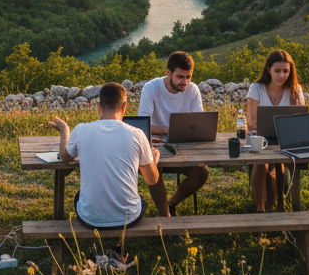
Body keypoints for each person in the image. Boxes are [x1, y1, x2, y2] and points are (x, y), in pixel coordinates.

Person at [51, 81, 168, 230]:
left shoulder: (81, 130)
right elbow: (152, 180)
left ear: (99, 107)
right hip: (128, 219)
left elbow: (65, 158)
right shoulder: (137, 134)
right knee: (141, 201)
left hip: (90, 219)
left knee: (79, 196)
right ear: (124, 106)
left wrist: (64, 130)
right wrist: (153, 158)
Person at [138, 50, 209, 212]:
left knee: (202, 172)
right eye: (180, 77)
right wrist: (166, 130)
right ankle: (165, 216)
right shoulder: (151, 88)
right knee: (153, 167)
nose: (185, 82)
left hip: (182, 145)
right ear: (168, 73)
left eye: (188, 77)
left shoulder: (192, 89)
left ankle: (171, 205)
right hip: (156, 145)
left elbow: (199, 122)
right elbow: (143, 125)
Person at [246, 49, 305, 212]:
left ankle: (281, 203)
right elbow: (251, 123)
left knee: (279, 164)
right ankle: (260, 209)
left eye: (286, 71)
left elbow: (301, 120)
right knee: (260, 163)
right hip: (262, 138)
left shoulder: (295, 89)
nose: (281, 75)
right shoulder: (256, 88)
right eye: (277, 71)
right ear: (268, 70)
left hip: (287, 139)